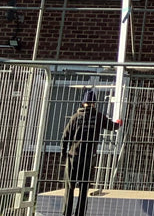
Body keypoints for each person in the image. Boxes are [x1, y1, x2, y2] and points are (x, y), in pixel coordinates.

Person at [61, 88, 111, 216]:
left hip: (74, 156)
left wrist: (63, 154)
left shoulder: (76, 117)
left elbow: (65, 136)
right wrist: (119, 122)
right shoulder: (99, 117)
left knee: (69, 187)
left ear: (83, 103)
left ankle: (66, 212)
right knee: (84, 188)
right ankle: (80, 213)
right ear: (94, 103)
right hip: (88, 157)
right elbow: (112, 126)